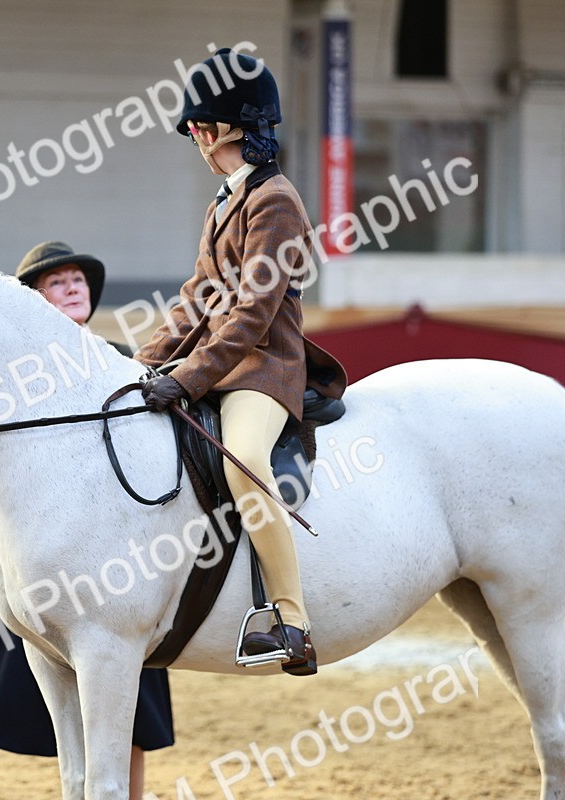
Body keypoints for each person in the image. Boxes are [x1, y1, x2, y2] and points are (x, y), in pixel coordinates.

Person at [0, 242, 174, 800]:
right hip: (20, 559)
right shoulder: (12, 379)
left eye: (77, 279)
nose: (73, 286)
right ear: (33, 302)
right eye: (57, 282)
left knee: (135, 697)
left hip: (117, 565)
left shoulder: (120, 362)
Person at [133, 49, 348, 676]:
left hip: (262, 368)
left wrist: (187, 376)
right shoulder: (224, 200)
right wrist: (142, 362)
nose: (195, 137)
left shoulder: (275, 201)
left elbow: (252, 314)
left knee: (245, 459)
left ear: (227, 128)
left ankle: (291, 617)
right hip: (220, 360)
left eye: (201, 125)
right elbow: (196, 298)